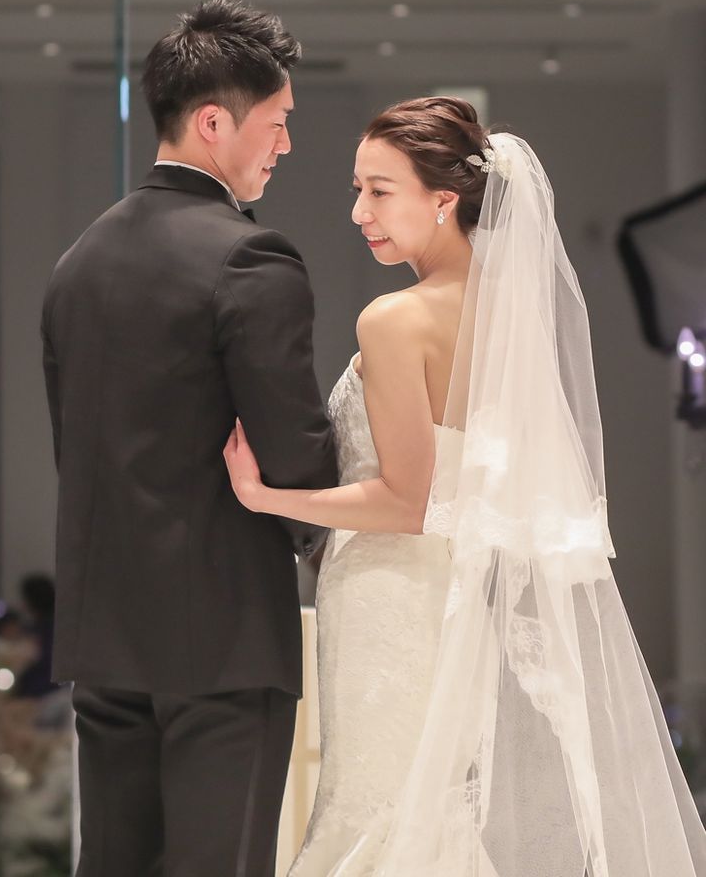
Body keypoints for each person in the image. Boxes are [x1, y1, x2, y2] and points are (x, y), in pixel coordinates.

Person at [224, 96, 706, 875]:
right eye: (358, 189)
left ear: (444, 199)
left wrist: (265, 497)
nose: (358, 212)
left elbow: (406, 501)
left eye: (380, 191)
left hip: (388, 594)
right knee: (431, 805)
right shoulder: (508, 314)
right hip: (456, 597)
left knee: (377, 809)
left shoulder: (395, 319)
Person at [42, 0, 338, 877]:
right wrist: (336, 535)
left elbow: (75, 451)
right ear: (215, 123)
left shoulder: (77, 263)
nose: (286, 144)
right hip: (223, 635)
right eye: (277, 123)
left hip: (104, 635)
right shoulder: (250, 257)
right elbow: (294, 455)